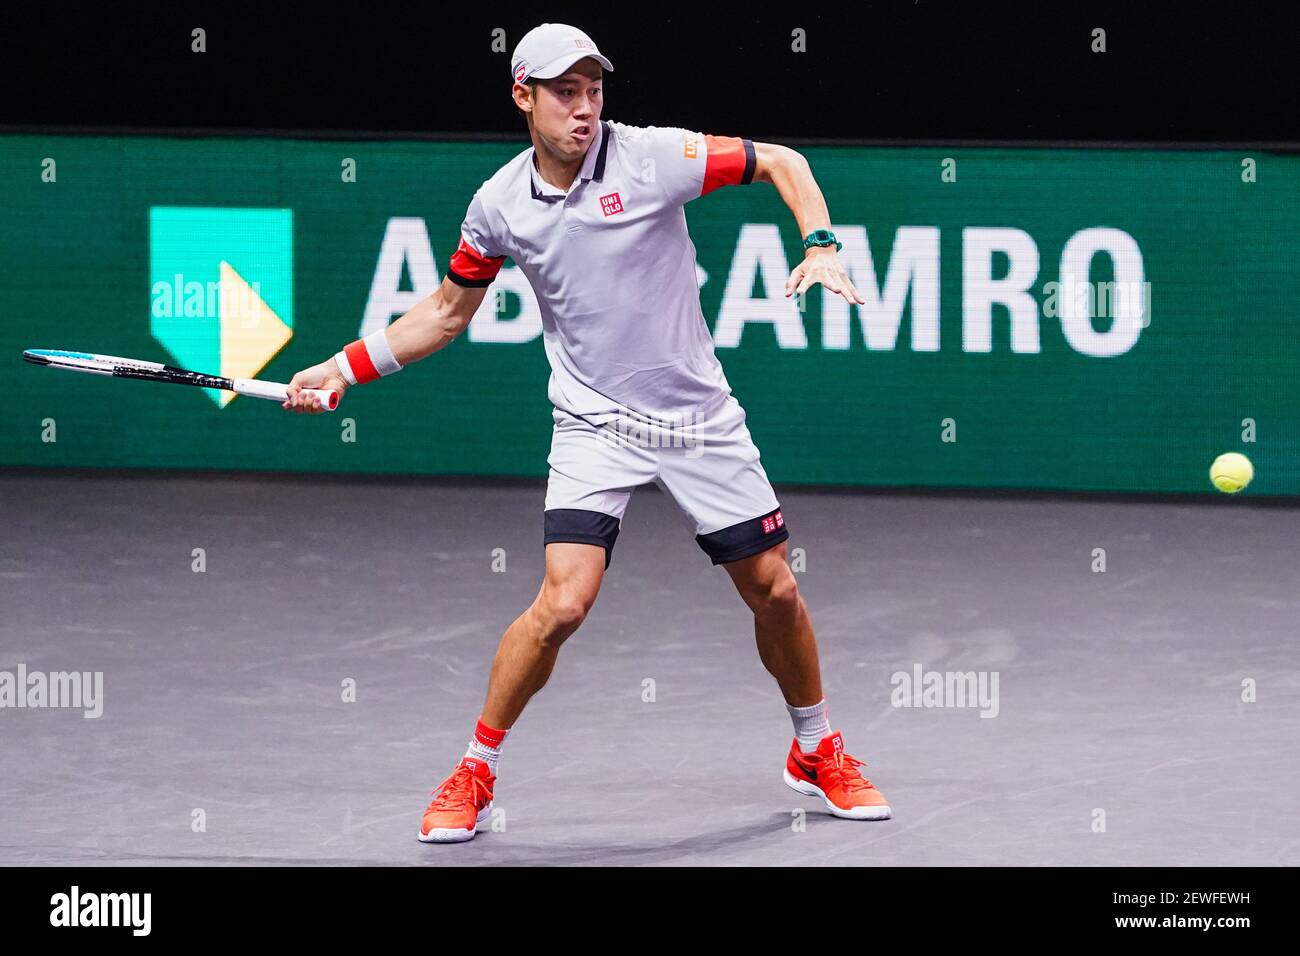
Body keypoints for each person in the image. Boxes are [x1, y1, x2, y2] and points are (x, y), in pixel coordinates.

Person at [284, 22, 890, 843]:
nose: (585, 108)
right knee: (563, 603)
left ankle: (816, 749)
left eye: (594, 89)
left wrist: (819, 244)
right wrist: (342, 368)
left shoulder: (653, 157)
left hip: (695, 417)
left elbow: (783, 160)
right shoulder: (498, 206)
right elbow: (445, 313)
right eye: (565, 92)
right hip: (592, 423)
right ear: (522, 97)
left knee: (774, 588)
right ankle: (475, 770)